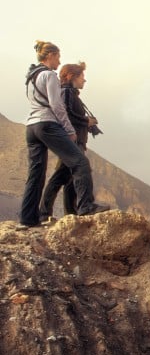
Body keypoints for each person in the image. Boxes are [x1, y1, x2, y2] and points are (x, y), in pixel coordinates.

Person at [18, 40, 108, 228]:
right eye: (58, 57)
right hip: (47, 124)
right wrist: (68, 130)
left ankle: (27, 220)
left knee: (36, 174)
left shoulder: (30, 77)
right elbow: (57, 106)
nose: (59, 62)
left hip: (31, 127)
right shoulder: (49, 75)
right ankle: (86, 207)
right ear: (49, 55)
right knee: (80, 162)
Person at [40, 62, 98, 221]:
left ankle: (69, 213)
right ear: (72, 76)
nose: (84, 81)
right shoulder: (66, 92)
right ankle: (45, 212)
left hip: (75, 141)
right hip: (71, 141)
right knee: (63, 176)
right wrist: (86, 121)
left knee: (68, 177)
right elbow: (66, 115)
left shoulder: (70, 93)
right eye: (82, 77)